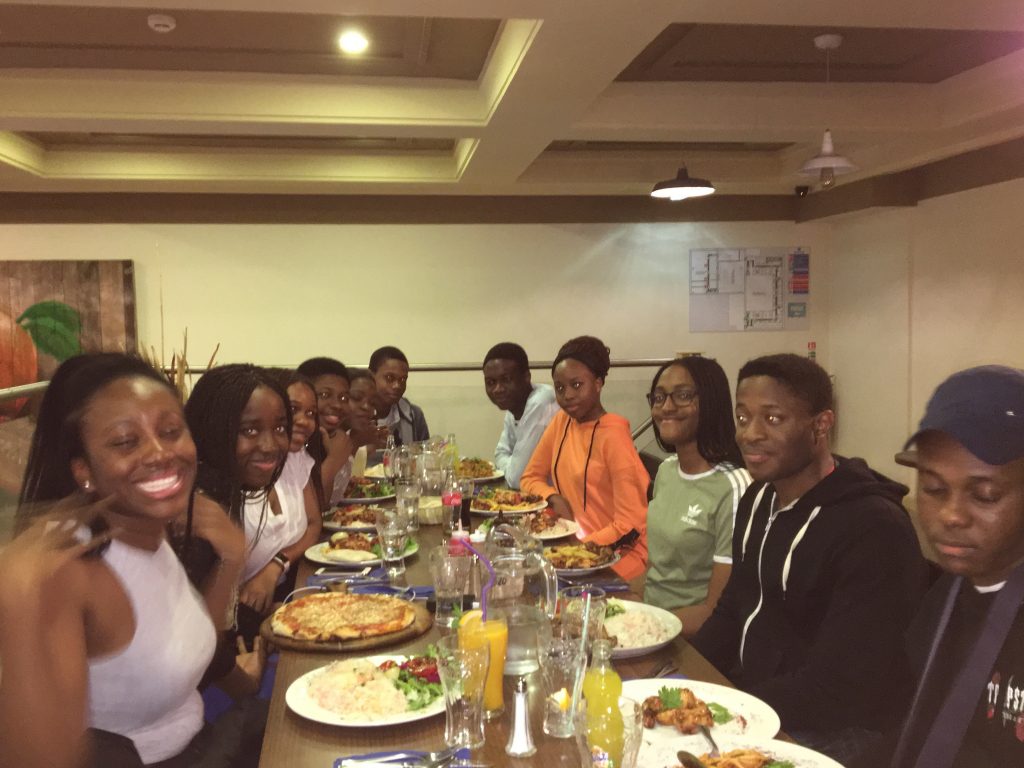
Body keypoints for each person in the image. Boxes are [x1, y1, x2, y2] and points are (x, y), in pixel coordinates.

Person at [2, 352, 246, 767]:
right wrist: (19, 595)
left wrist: (231, 559)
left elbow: (185, 650)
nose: (159, 453)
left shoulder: (146, 525)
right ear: (85, 471)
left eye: (171, 431)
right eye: (124, 441)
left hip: (203, 743)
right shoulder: (62, 570)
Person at [691, 353, 927, 763]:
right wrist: (690, 683)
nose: (750, 434)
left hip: (840, 731)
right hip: (762, 702)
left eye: (773, 418)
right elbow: (734, 608)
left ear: (821, 425)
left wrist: (730, 707)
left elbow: (841, 686)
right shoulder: (759, 498)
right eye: (743, 417)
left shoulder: (872, 528)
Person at [860, 365, 1024, 768]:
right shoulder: (942, 601)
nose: (951, 515)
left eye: (984, 495)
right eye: (934, 489)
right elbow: (916, 733)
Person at [520, 335, 649, 580]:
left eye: (576, 385)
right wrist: (553, 496)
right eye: (560, 388)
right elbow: (530, 477)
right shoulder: (562, 422)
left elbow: (630, 525)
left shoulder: (615, 436)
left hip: (618, 557)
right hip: (572, 548)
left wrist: (575, 551)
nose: (567, 395)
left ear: (598, 383)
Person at [642, 356, 750, 637]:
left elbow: (717, 611)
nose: (667, 406)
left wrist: (640, 629)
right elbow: (657, 572)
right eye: (659, 397)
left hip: (691, 640)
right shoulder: (665, 471)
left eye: (683, 395)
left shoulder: (733, 486)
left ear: (710, 402)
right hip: (650, 619)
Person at [184, 364, 290, 643]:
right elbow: (189, 638)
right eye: (250, 430)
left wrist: (268, 617)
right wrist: (243, 681)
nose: (270, 445)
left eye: (280, 427)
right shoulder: (199, 503)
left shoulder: (225, 486)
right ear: (212, 428)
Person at [482, 342, 559, 489]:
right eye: (491, 382)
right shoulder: (514, 407)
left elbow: (519, 478)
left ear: (526, 377)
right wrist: (512, 465)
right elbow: (500, 453)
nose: (498, 389)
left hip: (562, 503)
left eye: (506, 380)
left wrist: (511, 465)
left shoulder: (541, 402)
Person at [296, 357, 356, 505]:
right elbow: (305, 512)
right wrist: (334, 460)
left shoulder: (331, 440)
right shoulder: (293, 445)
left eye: (344, 398)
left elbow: (325, 508)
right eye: (324, 395)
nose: (337, 405)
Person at [369, 346, 429, 446]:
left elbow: (425, 458)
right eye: (389, 378)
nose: (397, 386)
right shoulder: (356, 415)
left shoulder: (413, 415)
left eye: (402, 380)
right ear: (371, 376)